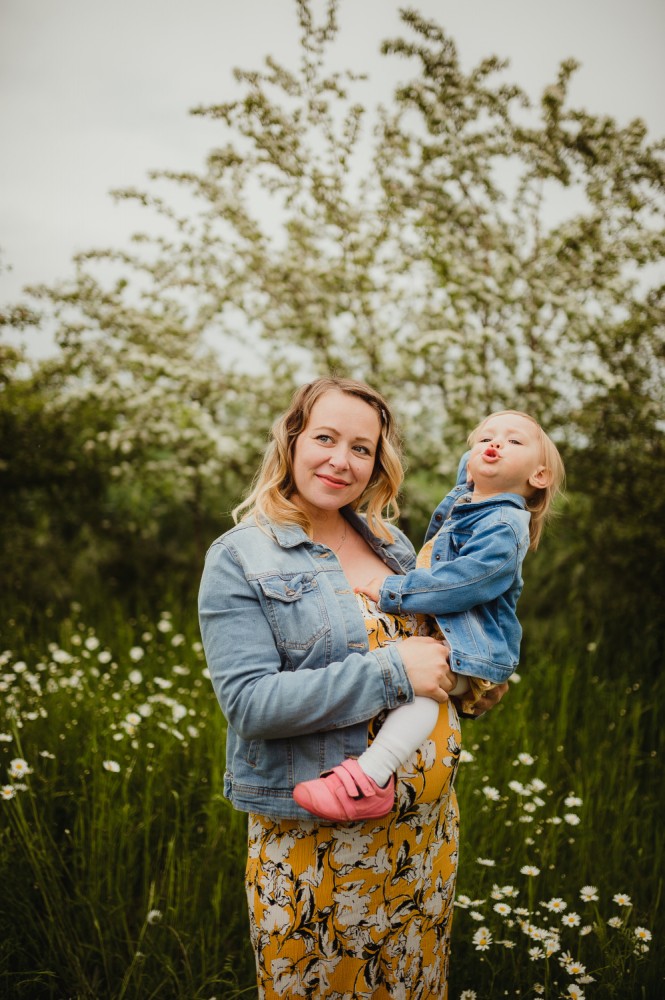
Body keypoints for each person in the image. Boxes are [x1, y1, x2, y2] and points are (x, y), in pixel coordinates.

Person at [198, 377, 506, 1000]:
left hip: (423, 836)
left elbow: (435, 653)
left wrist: (468, 684)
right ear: (291, 442)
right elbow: (250, 705)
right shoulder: (242, 558)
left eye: (361, 448)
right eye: (325, 438)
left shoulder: (392, 545)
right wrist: (397, 671)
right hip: (318, 848)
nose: (341, 460)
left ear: (377, 463)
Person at [293, 409, 565, 824]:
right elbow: (469, 471)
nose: (494, 443)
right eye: (485, 437)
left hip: (469, 651)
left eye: (514, 441)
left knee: (423, 691)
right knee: (420, 684)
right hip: (453, 645)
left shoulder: (506, 524)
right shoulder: (469, 502)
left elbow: (467, 582)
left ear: (539, 476)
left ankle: (370, 778)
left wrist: (394, 592)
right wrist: (476, 460)